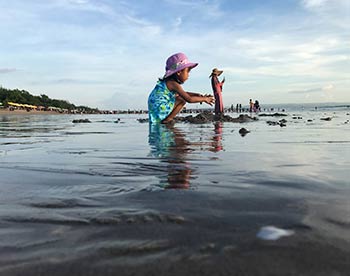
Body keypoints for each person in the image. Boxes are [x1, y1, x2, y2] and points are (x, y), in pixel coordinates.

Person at [148, 52, 214, 124]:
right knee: (182, 100)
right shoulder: (173, 84)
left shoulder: (168, 83)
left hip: (156, 110)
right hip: (160, 109)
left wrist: (197, 95)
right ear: (179, 72)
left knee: (180, 97)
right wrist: (205, 99)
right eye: (187, 71)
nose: (188, 75)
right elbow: (189, 99)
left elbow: (183, 93)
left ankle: (166, 118)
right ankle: (168, 119)